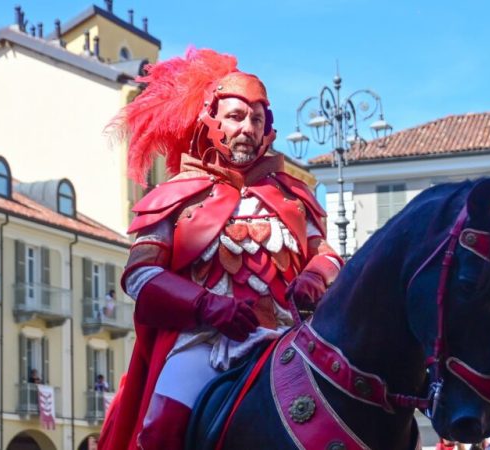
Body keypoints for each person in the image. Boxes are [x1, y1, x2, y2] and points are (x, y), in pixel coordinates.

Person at [98, 47, 341, 450]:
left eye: (257, 119)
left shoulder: (294, 196)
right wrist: (206, 306)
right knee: (161, 431)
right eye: (236, 116)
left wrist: (314, 278)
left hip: (289, 338)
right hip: (205, 342)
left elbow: (329, 256)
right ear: (212, 121)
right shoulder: (177, 195)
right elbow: (140, 274)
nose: (248, 127)